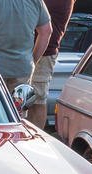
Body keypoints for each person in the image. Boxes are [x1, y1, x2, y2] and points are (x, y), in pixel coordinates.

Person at [26, 0, 74, 128]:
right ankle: (29, 137)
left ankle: (36, 140)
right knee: (29, 101)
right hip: (35, 52)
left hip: (43, 54)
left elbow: (28, 10)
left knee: (37, 101)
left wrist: (34, 60)